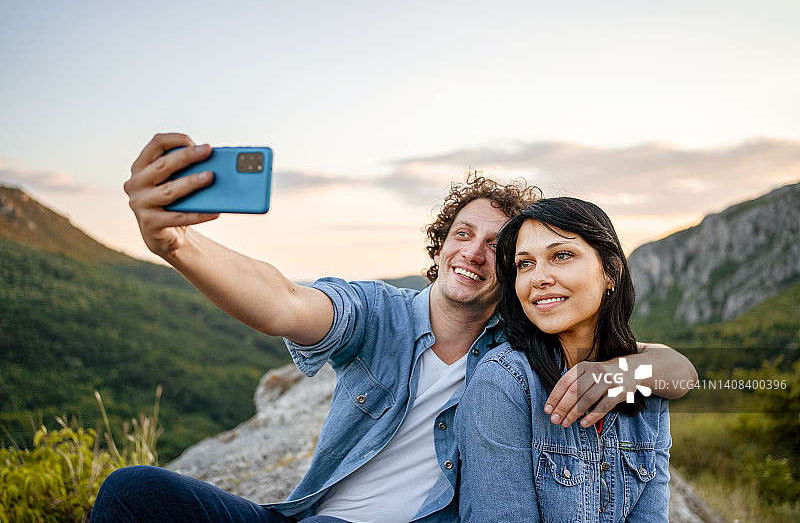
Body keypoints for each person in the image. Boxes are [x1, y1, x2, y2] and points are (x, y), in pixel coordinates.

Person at [91, 134, 696, 522]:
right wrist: (176, 243)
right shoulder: (379, 315)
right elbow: (281, 302)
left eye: (498, 248)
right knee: (132, 492)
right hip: (308, 520)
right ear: (439, 248)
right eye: (463, 234)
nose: (475, 253)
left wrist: (627, 372)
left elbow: (676, 368)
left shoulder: (519, 351)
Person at [456, 197, 673, 522]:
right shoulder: (502, 384)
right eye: (524, 264)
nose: (538, 278)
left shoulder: (643, 379)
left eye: (561, 255)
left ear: (610, 271)